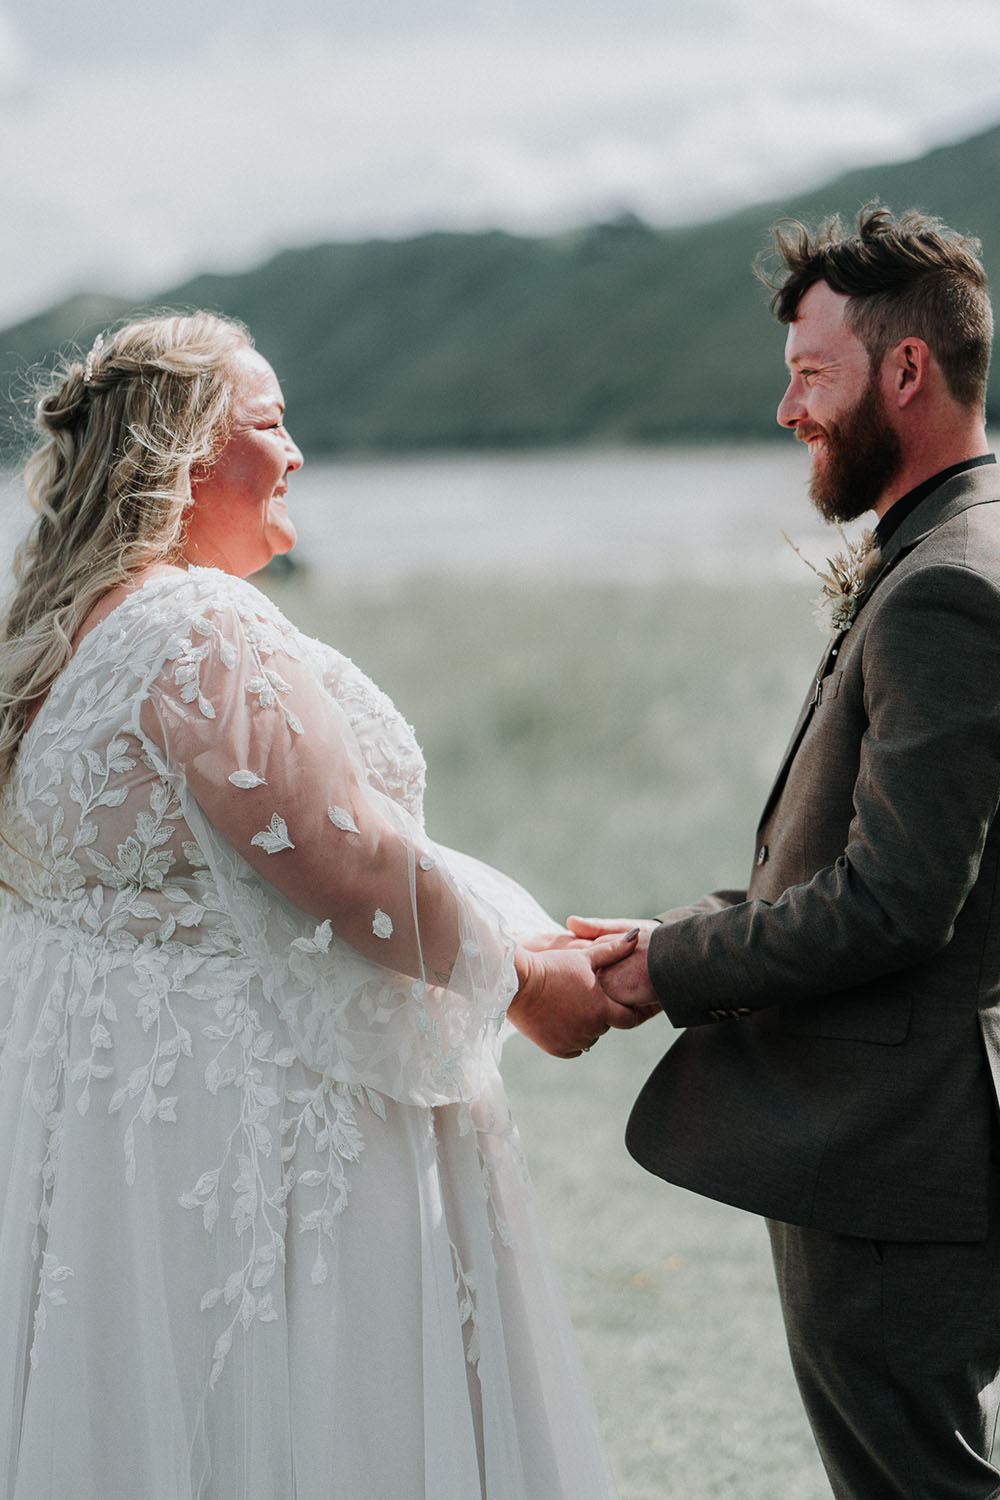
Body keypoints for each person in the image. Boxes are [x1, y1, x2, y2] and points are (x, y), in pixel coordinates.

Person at [0, 311, 650, 1500]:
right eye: (271, 423)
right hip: (259, 1140)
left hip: (129, 1138)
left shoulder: (59, 643)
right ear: (188, 454)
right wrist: (521, 982)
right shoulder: (195, 622)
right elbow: (343, 864)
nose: (295, 452)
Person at [559, 206, 1000, 1498]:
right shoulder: (961, 544)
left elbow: (894, 902)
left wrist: (671, 967)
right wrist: (675, 927)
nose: (786, 407)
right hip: (928, 1127)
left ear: (905, 370)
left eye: (812, 373)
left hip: (893, 1146)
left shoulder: (944, 588)